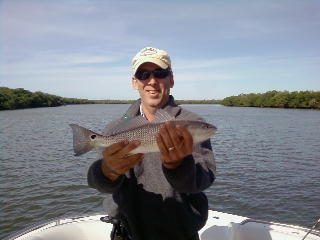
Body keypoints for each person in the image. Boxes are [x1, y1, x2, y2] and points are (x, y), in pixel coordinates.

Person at [87, 47, 216, 240]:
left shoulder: (191, 123)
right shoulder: (117, 127)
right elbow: (99, 185)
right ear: (134, 82)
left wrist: (178, 166)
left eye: (160, 73)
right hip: (127, 234)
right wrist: (108, 171)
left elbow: (203, 180)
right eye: (143, 74)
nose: (152, 81)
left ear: (171, 79)